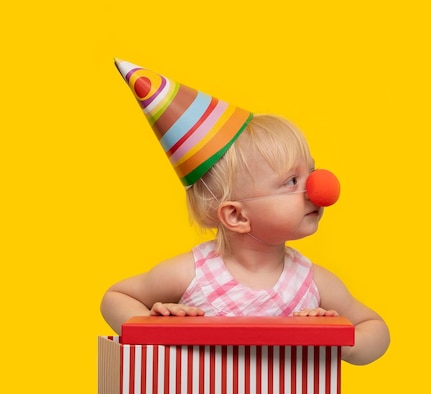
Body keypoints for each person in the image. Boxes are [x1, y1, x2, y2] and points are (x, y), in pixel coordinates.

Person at [101, 60, 390, 365]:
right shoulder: (191, 274)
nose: (319, 187)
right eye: (292, 181)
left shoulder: (312, 282)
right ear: (237, 216)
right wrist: (159, 326)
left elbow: (376, 329)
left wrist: (341, 342)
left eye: (312, 171)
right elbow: (114, 299)